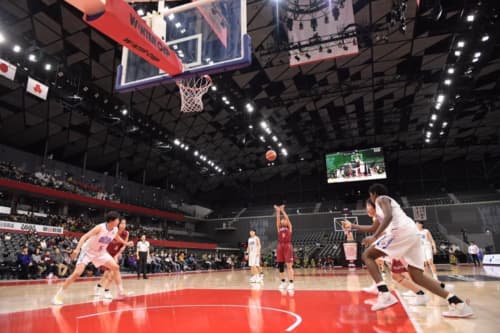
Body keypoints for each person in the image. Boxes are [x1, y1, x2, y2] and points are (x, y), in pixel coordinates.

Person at [360, 184, 473, 317]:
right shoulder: (384, 208)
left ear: (373, 194)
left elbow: (388, 216)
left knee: (367, 255)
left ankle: (384, 294)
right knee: (417, 276)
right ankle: (458, 303)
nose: (370, 199)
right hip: (412, 234)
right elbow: (379, 223)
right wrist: (354, 226)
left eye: (370, 196)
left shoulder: (381, 199)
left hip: (400, 232)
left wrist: (374, 237)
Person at [344, 199, 429, 306]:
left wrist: (376, 243)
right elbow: (376, 230)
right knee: (397, 275)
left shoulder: (382, 216)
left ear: (374, 207)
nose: (366, 210)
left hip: (397, 246)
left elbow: (383, 233)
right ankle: (420, 293)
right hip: (395, 246)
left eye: (368, 207)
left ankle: (434, 291)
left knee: (403, 273)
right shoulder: (379, 217)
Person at [52, 211, 133, 305]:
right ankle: (58, 296)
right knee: (77, 273)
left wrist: (126, 243)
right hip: (88, 252)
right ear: (112, 220)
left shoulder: (114, 229)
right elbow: (84, 236)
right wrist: (77, 250)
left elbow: (117, 238)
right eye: (118, 220)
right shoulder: (100, 228)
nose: (119, 221)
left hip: (101, 253)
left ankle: (120, 293)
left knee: (116, 267)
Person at [94, 218, 129, 299]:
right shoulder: (113, 230)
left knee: (110, 273)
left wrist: (117, 255)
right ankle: (104, 289)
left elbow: (123, 246)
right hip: (106, 253)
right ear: (118, 224)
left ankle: (100, 288)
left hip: (115, 254)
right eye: (122, 223)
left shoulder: (126, 233)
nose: (123, 225)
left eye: (125, 223)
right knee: (109, 273)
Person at [275, 205, 294, 290]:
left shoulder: (289, 228)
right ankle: (283, 282)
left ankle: (291, 283)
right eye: (282, 220)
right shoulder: (279, 229)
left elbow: (287, 218)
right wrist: (278, 211)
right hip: (280, 246)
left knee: (289, 266)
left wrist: (282, 211)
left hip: (287, 246)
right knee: (281, 266)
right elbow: (277, 220)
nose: (283, 220)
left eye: (284, 220)